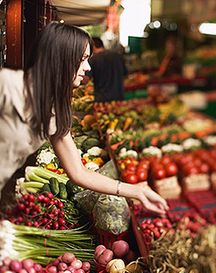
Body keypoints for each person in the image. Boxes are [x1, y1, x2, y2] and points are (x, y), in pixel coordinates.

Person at [0, 22, 168, 217]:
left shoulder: (53, 112)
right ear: (60, 59)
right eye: (83, 59)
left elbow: (79, 172)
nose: (88, 67)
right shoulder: (7, 85)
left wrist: (136, 191)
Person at [87, 37, 127, 102]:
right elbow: (125, 75)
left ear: (93, 46)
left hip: (102, 100)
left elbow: (86, 79)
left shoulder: (93, 60)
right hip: (119, 98)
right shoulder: (118, 56)